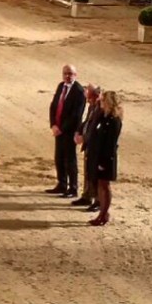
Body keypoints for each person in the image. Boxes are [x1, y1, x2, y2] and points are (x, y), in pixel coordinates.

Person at [47, 64, 85, 197]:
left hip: (69, 131)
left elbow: (76, 115)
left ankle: (73, 188)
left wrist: (61, 128)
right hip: (58, 129)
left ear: (75, 75)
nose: (67, 76)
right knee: (59, 157)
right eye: (65, 73)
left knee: (70, 159)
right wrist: (53, 125)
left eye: (70, 73)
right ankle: (62, 184)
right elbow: (53, 106)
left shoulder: (79, 91)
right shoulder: (60, 86)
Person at [90, 91, 122, 226]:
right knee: (100, 185)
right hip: (98, 156)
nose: (100, 102)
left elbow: (110, 143)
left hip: (106, 159)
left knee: (104, 186)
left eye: (103, 100)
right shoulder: (104, 116)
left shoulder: (114, 121)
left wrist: (103, 162)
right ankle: (103, 213)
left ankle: (103, 214)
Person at [73, 84, 101, 211]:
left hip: (96, 145)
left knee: (95, 174)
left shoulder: (100, 108)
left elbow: (95, 128)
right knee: (88, 171)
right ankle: (87, 195)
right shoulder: (92, 106)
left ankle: (98, 200)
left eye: (89, 97)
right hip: (89, 144)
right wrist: (78, 132)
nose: (88, 100)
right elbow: (86, 122)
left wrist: (85, 137)